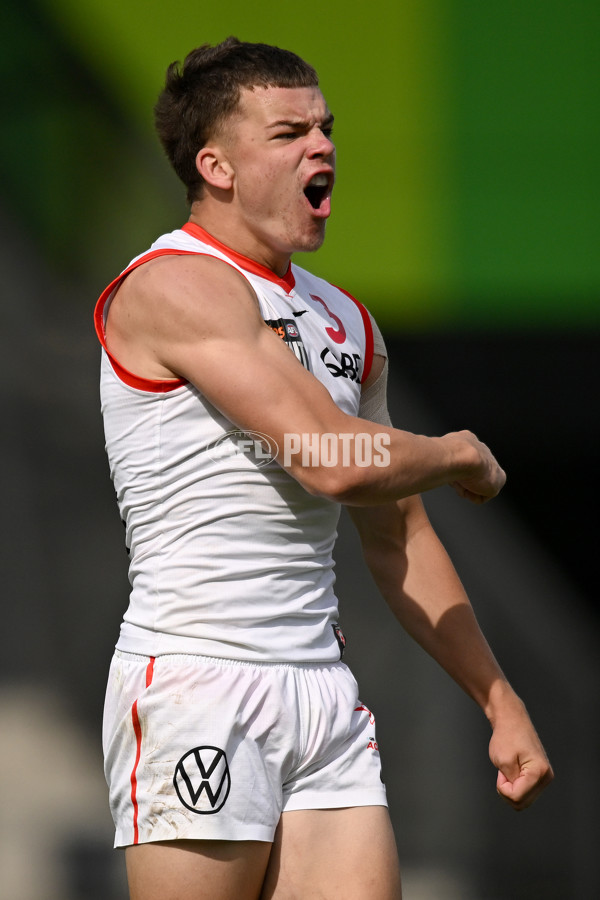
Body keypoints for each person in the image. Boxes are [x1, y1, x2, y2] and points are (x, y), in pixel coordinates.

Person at [95, 37, 553, 900]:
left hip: (321, 689)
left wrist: (499, 700)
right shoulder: (172, 285)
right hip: (198, 678)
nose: (323, 147)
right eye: (289, 132)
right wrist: (455, 452)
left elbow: (397, 532)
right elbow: (332, 463)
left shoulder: (345, 319)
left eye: (326, 127)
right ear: (216, 166)